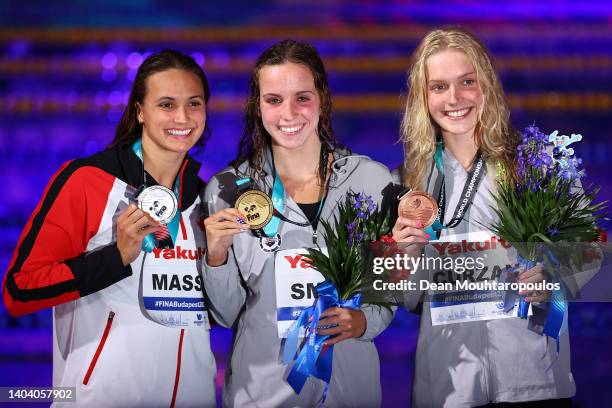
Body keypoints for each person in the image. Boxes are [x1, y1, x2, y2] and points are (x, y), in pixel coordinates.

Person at [2, 50, 216, 407]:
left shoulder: (207, 198)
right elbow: (20, 289)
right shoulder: (87, 181)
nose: (182, 117)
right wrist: (115, 257)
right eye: (166, 104)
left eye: (194, 103)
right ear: (139, 111)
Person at [203, 39, 394, 407]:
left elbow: (386, 289)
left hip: (350, 391)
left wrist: (366, 321)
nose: (288, 113)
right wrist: (216, 255)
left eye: (302, 98)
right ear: (258, 106)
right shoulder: (228, 190)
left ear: (322, 98)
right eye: (274, 100)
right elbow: (225, 314)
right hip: (264, 395)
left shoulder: (371, 180)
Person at [392, 28, 575, 407]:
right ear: (423, 98)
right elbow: (405, 298)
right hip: (449, 386)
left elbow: (593, 252)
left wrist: (554, 275)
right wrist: (403, 254)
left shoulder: (535, 163)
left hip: (532, 379)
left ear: (486, 85)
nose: (454, 99)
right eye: (439, 87)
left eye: (467, 82)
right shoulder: (407, 184)